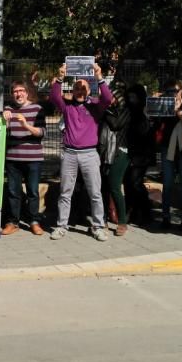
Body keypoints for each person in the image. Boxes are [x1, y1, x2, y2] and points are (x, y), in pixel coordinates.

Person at [49, 62, 112, 241]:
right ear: (73, 90)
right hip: (69, 154)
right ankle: (61, 226)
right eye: (77, 88)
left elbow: (108, 98)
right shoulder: (67, 107)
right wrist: (60, 76)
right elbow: (54, 96)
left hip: (90, 154)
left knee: (95, 193)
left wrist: (99, 76)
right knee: (65, 192)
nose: (80, 91)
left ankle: (98, 226)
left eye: (83, 88)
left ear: (89, 91)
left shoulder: (95, 107)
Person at [1, 81, 45, 236]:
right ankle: (13, 222)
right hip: (13, 158)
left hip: (33, 158)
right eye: (15, 91)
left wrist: (26, 125)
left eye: (21, 91)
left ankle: (34, 221)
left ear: (27, 93)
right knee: (13, 192)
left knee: (33, 191)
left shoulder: (37, 109)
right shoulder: (8, 110)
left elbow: (41, 132)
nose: (18, 94)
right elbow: (1, 128)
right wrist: (4, 117)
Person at [156, 80, 182, 232]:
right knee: (167, 183)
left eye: (175, 90)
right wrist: (156, 105)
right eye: (169, 91)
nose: (172, 93)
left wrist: (179, 114)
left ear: (181, 91)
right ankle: (166, 217)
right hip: (168, 148)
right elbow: (156, 123)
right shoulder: (164, 106)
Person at [99, 81, 130, 236]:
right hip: (104, 152)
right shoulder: (105, 110)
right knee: (103, 187)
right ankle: (102, 219)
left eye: (110, 96)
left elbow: (116, 125)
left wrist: (105, 112)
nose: (107, 98)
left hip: (120, 153)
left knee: (114, 187)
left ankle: (122, 221)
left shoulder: (125, 111)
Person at [124, 84, 155, 227]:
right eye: (129, 97)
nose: (131, 99)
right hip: (130, 154)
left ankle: (146, 212)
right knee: (129, 184)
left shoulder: (144, 114)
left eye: (134, 97)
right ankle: (134, 211)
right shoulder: (128, 113)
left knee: (135, 183)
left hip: (142, 156)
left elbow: (146, 137)